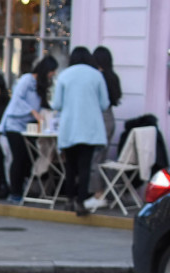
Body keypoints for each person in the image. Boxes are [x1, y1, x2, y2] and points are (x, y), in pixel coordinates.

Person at [54, 47, 110, 216]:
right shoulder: (96, 75)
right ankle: (81, 201)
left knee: (70, 166)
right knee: (85, 166)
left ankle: (69, 199)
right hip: (89, 128)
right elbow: (104, 104)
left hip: (69, 127)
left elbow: (56, 104)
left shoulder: (64, 75)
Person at [0, 55, 58, 204]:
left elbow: (45, 105)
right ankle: (15, 192)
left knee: (31, 156)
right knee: (18, 157)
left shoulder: (42, 85)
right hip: (14, 123)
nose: (53, 74)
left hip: (29, 126)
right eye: (52, 71)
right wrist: (33, 112)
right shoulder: (27, 79)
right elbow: (17, 98)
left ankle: (24, 185)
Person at [88, 46, 122, 210]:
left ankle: (98, 194)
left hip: (100, 118)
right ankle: (101, 193)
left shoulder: (98, 77)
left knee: (95, 158)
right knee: (100, 157)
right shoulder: (112, 76)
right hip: (109, 118)